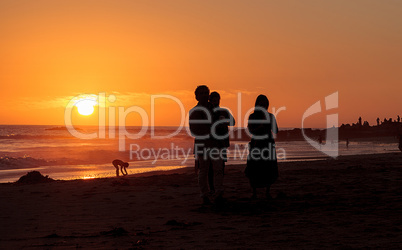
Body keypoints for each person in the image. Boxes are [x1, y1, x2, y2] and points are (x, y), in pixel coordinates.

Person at [189, 85, 225, 205]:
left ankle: (218, 193)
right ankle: (205, 194)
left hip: (214, 144)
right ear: (197, 96)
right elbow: (194, 130)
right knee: (203, 170)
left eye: (206, 93)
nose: (205, 95)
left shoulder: (213, 108)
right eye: (202, 93)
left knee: (218, 169)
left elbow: (220, 124)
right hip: (202, 145)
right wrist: (211, 130)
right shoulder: (194, 111)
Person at [245, 95, 278, 200]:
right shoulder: (252, 117)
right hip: (256, 144)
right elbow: (250, 131)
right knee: (253, 168)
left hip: (268, 143)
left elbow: (276, 130)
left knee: (269, 168)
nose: (263, 106)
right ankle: (254, 192)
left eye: (265, 104)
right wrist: (260, 126)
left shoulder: (271, 116)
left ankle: (267, 192)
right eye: (261, 104)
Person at [208, 91, 235, 194]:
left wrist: (225, 122)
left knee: (221, 165)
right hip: (212, 141)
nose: (215, 102)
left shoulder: (224, 111)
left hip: (223, 141)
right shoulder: (209, 112)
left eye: (217, 100)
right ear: (210, 101)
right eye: (213, 100)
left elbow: (233, 122)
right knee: (211, 166)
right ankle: (212, 187)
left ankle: (219, 185)